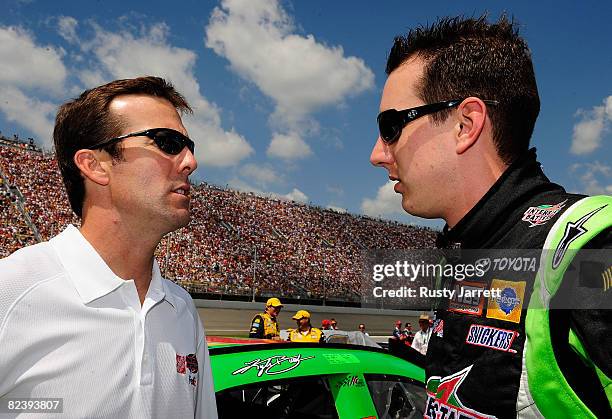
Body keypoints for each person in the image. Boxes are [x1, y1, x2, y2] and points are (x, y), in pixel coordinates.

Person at [370, 15, 611, 418]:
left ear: (466, 124)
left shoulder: (586, 246)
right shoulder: (465, 250)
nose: (378, 153)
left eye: (391, 126)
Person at [0, 77, 217, 418]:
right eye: (167, 142)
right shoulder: (11, 291)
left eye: (189, 146)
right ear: (94, 164)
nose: (190, 161)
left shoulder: (181, 309)